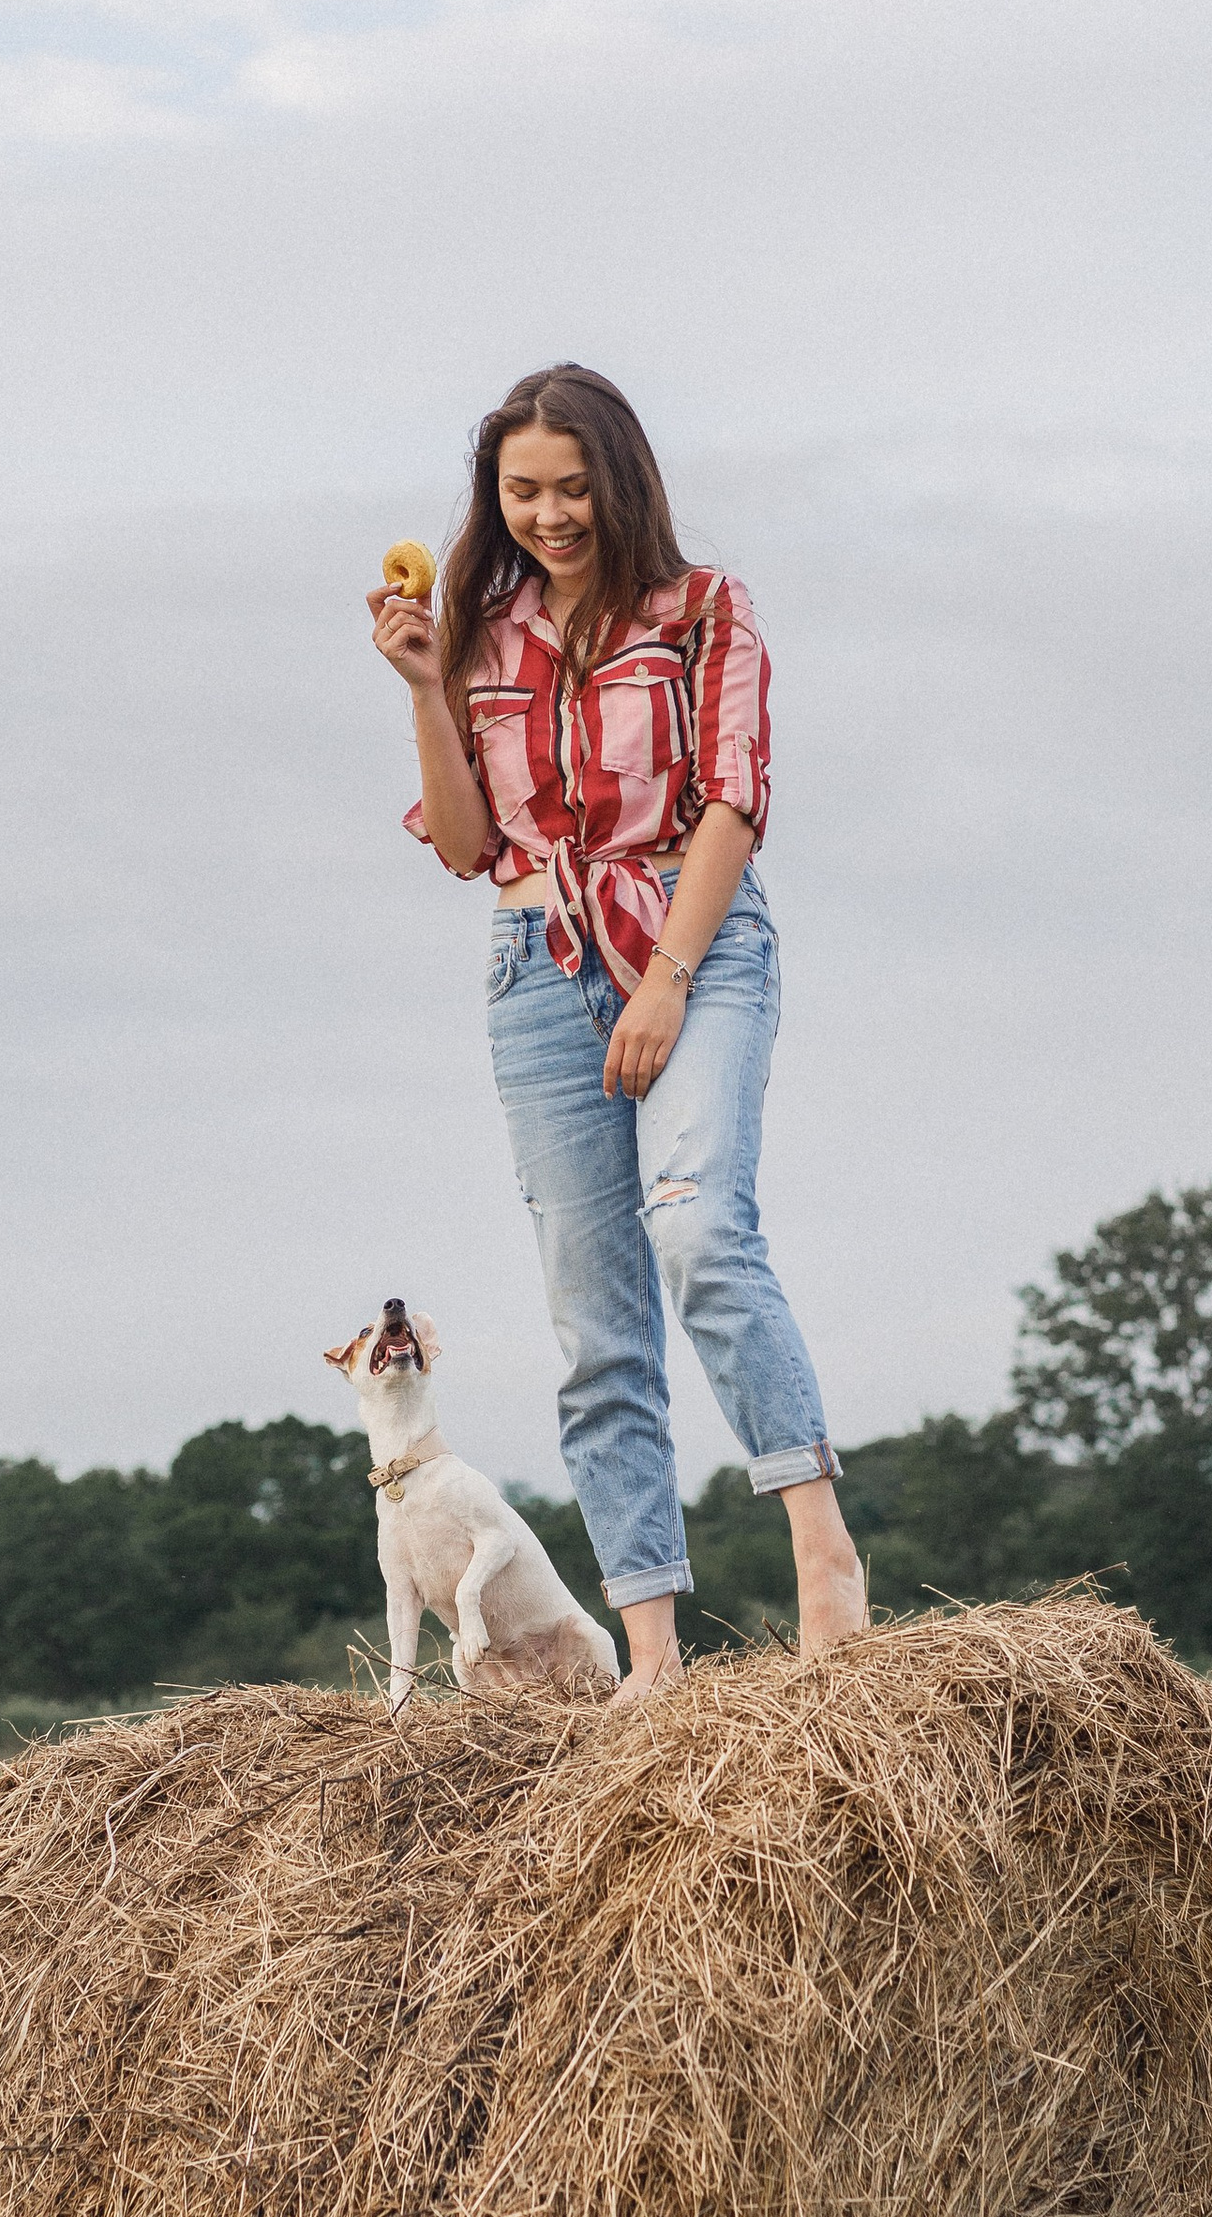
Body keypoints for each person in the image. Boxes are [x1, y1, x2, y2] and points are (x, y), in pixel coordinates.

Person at [368, 362, 866, 1699]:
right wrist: (424, 687)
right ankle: (651, 1655)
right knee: (596, 1325)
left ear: (621, 483)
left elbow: (733, 802)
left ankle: (823, 1554)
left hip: (693, 946)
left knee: (700, 1230)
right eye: (522, 491)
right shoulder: (479, 638)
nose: (549, 515)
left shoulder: (704, 612)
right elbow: (466, 846)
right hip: (535, 968)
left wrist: (665, 982)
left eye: (573, 488)